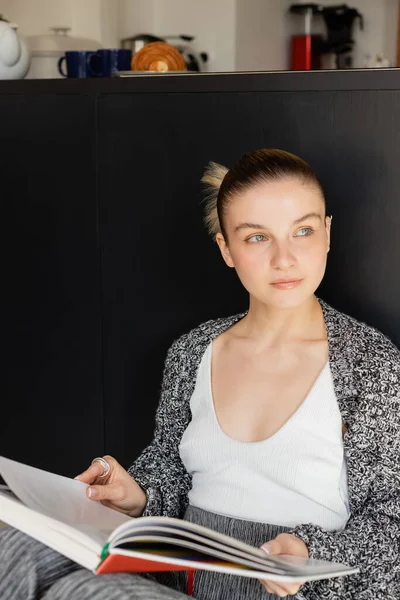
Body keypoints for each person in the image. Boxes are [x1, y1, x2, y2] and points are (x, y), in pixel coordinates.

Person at [1, 148, 399, 600]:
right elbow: (171, 466)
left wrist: (308, 549)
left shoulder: (370, 364)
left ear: (327, 233)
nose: (284, 258)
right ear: (226, 249)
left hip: (293, 592)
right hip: (183, 580)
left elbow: (394, 521)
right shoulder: (193, 351)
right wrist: (138, 495)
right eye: (256, 238)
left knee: (84, 595)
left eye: (302, 231)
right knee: (13, 545)